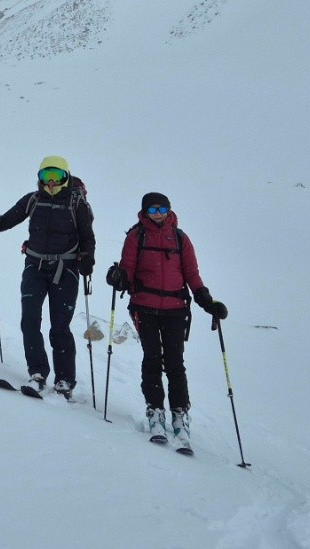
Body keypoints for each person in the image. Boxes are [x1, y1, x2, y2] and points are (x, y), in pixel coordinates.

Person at [106, 192, 228, 451]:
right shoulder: (136, 236)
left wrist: (207, 301)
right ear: (145, 211)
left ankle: (180, 415)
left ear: (169, 210)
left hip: (175, 308)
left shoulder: (181, 239)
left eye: (162, 208)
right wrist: (119, 278)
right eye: (152, 209)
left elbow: (192, 274)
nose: (158, 213)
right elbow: (128, 269)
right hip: (144, 307)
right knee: (152, 358)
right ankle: (155, 411)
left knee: (175, 362)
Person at [0, 156, 95, 399]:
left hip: (66, 270)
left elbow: (87, 237)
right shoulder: (33, 200)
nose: (51, 181)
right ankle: (38, 373)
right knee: (29, 320)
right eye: (46, 176)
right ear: (39, 178)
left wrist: (88, 259)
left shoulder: (77, 204)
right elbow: (5, 221)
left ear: (66, 177)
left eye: (56, 176)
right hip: (34, 266)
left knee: (60, 326)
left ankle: (65, 380)